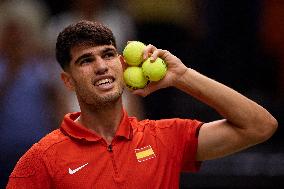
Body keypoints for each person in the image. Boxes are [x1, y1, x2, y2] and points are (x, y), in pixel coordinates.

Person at [6, 20, 277, 189]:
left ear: (122, 64)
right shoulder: (41, 159)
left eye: (108, 55)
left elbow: (260, 126)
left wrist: (182, 77)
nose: (101, 66)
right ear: (68, 81)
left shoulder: (164, 139)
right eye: (86, 60)